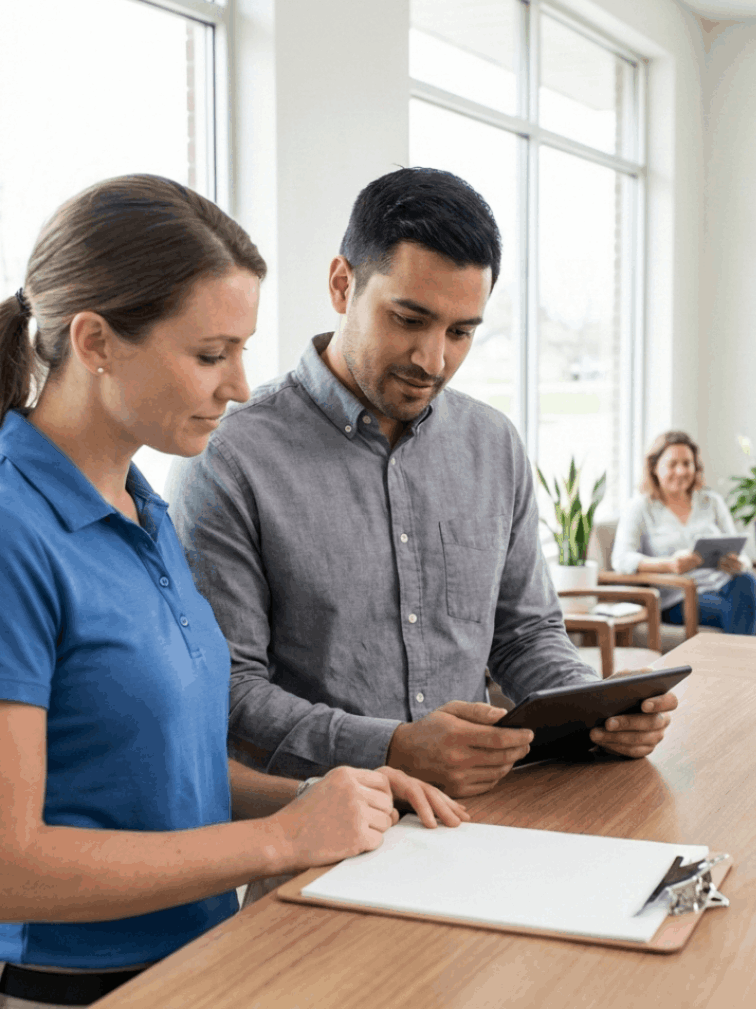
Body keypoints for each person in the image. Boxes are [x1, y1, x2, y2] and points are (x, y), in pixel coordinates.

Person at [0, 175, 465, 1009]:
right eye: (211, 355)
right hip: (75, 988)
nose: (242, 385)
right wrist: (280, 838)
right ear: (96, 341)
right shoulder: (12, 530)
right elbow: (11, 868)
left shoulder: (141, 505)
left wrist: (327, 795)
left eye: (243, 350)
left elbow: (164, 772)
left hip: (203, 960)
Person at [168, 167, 677, 800]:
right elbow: (229, 692)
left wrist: (593, 709)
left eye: (461, 332)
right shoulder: (230, 455)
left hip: (482, 820)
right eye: (410, 319)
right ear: (341, 284)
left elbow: (524, 633)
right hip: (318, 841)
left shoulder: (493, 445)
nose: (434, 360)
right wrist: (390, 749)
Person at [611, 430, 756, 636]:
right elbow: (621, 559)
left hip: (725, 586)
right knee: (751, 613)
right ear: (654, 468)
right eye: (673, 464)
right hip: (678, 597)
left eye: (687, 464)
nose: (681, 471)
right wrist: (669, 564)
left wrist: (739, 563)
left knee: (748, 582)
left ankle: (734, 667)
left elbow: (741, 553)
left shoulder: (710, 501)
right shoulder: (640, 507)